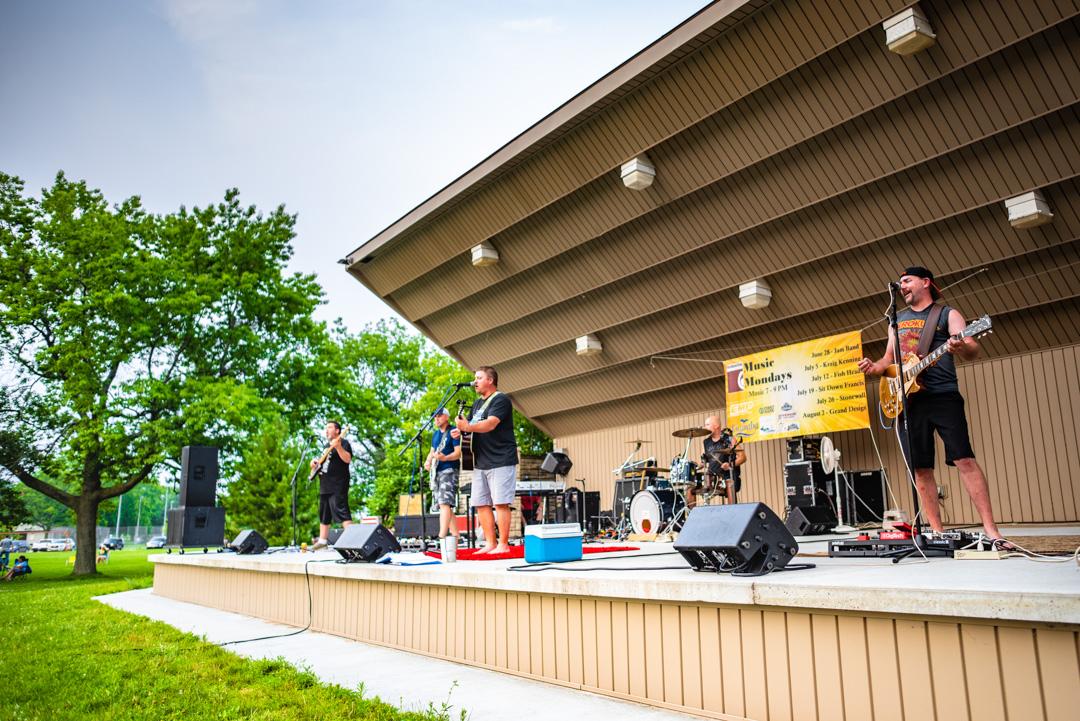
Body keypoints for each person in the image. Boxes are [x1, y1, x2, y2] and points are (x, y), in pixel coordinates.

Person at [857, 266, 1008, 546]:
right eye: (900, 282)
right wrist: (872, 367)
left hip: (942, 395)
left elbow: (973, 349)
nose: (902, 286)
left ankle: (991, 530)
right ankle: (937, 533)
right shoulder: (896, 320)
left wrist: (959, 346)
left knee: (964, 459)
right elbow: (887, 360)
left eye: (907, 281)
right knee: (921, 468)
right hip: (908, 401)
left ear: (925, 283)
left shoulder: (947, 314)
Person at [454, 366, 518, 554]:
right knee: (481, 503)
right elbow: (474, 426)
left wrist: (469, 426)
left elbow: (490, 424)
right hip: (480, 460)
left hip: (501, 459)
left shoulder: (501, 399)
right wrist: (463, 430)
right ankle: (490, 543)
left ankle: (503, 545)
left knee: (500, 503)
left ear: (490, 380)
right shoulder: (476, 404)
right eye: (474, 378)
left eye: (479, 378)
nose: (475, 381)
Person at [309, 421, 353, 550]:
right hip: (325, 484)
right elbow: (322, 462)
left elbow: (347, 459)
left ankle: (352, 540)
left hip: (338, 484)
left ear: (338, 430)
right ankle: (322, 541)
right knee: (324, 513)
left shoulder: (344, 443)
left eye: (329, 427)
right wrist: (314, 463)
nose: (326, 430)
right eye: (326, 428)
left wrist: (338, 447)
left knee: (342, 511)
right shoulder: (326, 446)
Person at [424, 408, 462, 543]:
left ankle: (442, 537)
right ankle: (456, 536)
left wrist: (445, 458)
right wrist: (428, 461)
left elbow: (458, 453)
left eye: (439, 416)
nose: (436, 419)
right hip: (438, 471)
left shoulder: (452, 432)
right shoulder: (435, 434)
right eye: (435, 417)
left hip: (449, 469)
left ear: (446, 417)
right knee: (444, 505)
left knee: (444, 503)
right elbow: (432, 451)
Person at [700, 415, 747, 505]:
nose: (704, 427)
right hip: (713, 477)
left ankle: (732, 511)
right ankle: (690, 515)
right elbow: (703, 462)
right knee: (691, 487)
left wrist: (730, 465)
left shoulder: (729, 439)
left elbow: (743, 457)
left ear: (716, 426)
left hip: (727, 476)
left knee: (729, 482)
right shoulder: (706, 442)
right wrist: (694, 467)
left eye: (707, 424)